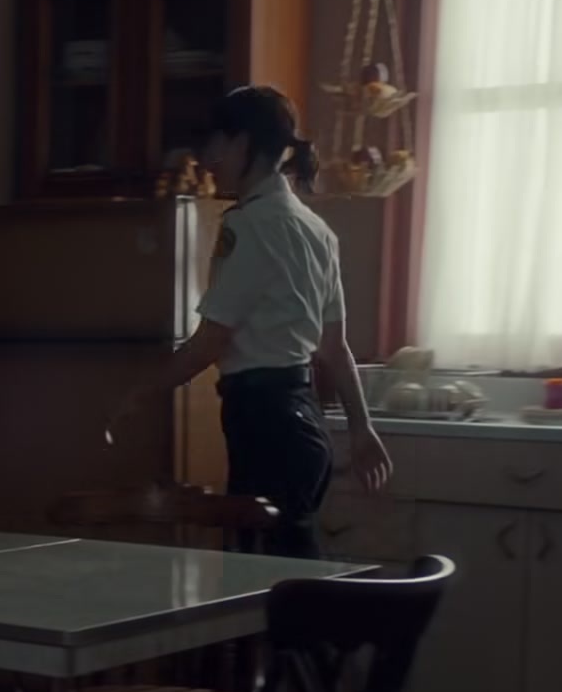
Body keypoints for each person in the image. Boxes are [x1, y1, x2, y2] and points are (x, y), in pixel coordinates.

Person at [113, 85, 391, 557]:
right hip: (303, 424)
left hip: (266, 424)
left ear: (242, 142)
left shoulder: (249, 225)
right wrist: (362, 429)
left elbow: (211, 341)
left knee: (265, 582)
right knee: (283, 575)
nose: (206, 159)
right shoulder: (317, 230)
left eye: (214, 144)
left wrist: (140, 391)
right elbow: (334, 348)